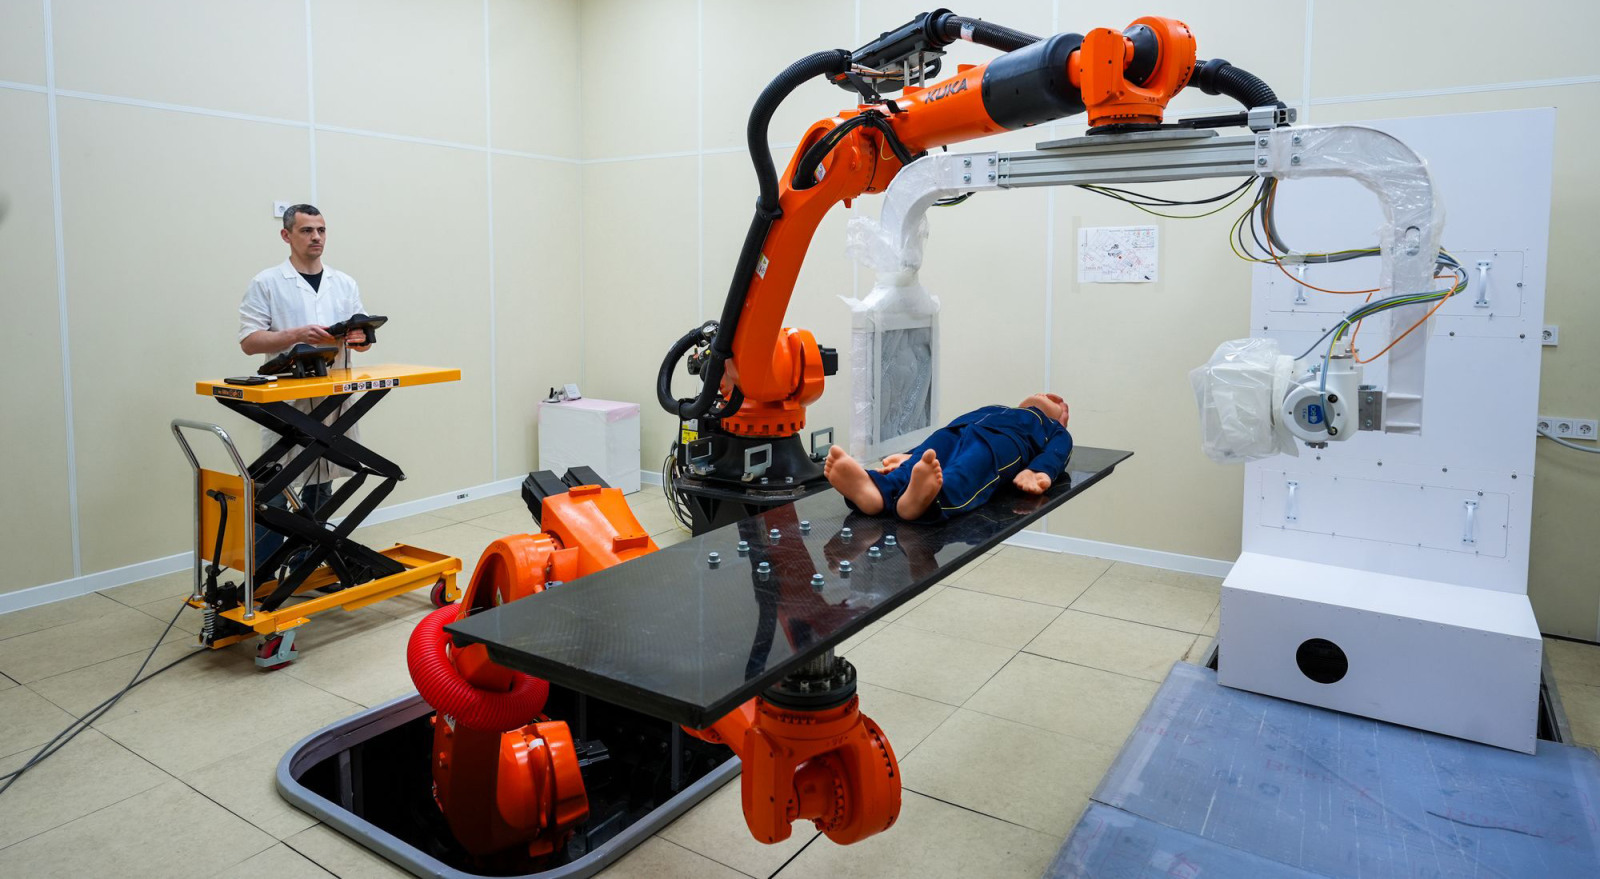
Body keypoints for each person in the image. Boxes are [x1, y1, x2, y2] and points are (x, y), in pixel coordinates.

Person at [238, 204, 372, 566]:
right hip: (287, 399)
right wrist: (295, 335)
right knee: (276, 484)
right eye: (307, 230)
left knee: (322, 478)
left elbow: (360, 336)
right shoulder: (267, 282)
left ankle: (306, 565)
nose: (316, 237)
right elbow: (249, 341)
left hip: (333, 396)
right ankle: (264, 573)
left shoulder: (344, 283)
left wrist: (360, 338)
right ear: (286, 235)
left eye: (321, 230)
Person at [824, 393, 1072, 521]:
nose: (1045, 396)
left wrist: (1037, 471)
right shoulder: (998, 408)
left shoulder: (1052, 428)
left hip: (1001, 445)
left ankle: (922, 502)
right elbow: (958, 420)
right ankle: (874, 493)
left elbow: (1058, 452)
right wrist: (909, 455)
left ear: (1061, 419)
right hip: (957, 431)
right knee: (927, 457)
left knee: (968, 469)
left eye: (1057, 402)